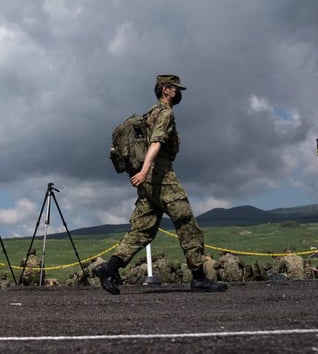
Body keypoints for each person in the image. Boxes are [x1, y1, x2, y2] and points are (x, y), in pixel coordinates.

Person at [94, 75, 227, 294]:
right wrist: (146, 170)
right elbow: (156, 143)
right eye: (176, 88)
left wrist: (142, 174)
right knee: (186, 221)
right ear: (166, 90)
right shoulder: (165, 113)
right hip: (160, 176)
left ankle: (109, 268)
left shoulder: (149, 115)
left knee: (142, 230)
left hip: (147, 183)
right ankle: (199, 277)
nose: (179, 92)